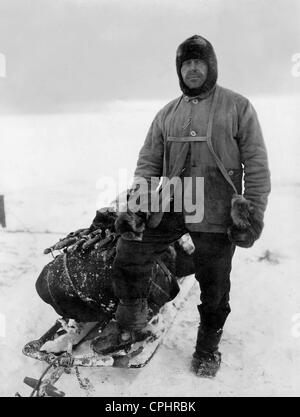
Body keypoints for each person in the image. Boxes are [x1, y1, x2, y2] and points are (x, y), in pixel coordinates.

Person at [110, 35, 271, 377]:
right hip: (171, 204)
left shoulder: (237, 106)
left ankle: (207, 347)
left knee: (214, 284)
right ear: (179, 70)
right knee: (129, 250)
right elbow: (149, 162)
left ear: (211, 66)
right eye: (187, 64)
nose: (193, 69)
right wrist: (138, 206)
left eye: (200, 62)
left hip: (214, 208)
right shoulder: (167, 113)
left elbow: (256, 164)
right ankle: (131, 319)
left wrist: (251, 213)